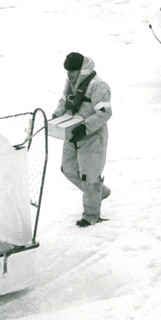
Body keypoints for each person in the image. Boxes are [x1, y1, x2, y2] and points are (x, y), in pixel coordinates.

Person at [51, 52, 112, 227]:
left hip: (92, 136)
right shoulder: (70, 81)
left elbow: (105, 112)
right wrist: (57, 114)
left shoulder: (98, 86)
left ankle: (90, 216)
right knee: (68, 169)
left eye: (73, 71)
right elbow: (64, 100)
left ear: (81, 70)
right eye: (68, 71)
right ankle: (100, 192)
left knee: (90, 178)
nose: (70, 75)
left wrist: (85, 127)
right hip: (72, 132)